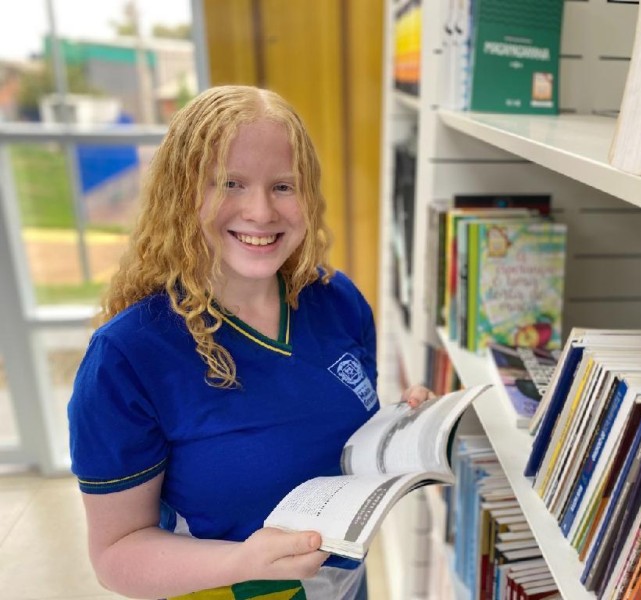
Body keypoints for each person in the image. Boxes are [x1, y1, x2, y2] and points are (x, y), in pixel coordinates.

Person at [67, 85, 434, 600]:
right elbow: (115, 555)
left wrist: (401, 427)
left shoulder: (337, 300)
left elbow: (336, 445)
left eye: (283, 186)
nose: (261, 212)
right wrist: (242, 561)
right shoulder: (126, 357)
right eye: (230, 184)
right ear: (180, 193)